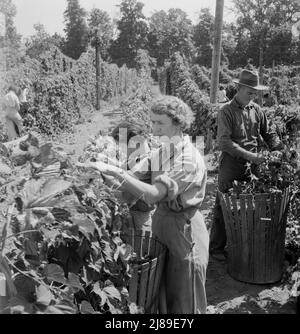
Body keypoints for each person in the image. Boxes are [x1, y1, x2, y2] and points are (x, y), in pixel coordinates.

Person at [78, 96, 209, 314]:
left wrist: (116, 172)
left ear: (178, 123)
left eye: (160, 123)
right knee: (165, 297)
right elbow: (130, 179)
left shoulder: (188, 159)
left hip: (185, 233)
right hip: (163, 229)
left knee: (186, 299)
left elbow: (153, 195)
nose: (154, 129)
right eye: (153, 122)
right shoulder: (162, 152)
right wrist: (98, 171)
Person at [209, 69, 283, 261]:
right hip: (231, 164)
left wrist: (277, 148)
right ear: (239, 88)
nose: (253, 96)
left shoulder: (256, 110)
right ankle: (216, 248)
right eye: (249, 92)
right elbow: (224, 142)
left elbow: (269, 133)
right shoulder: (226, 111)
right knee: (223, 204)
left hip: (254, 166)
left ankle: (245, 243)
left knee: (253, 204)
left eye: (255, 93)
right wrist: (251, 156)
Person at [111, 121, 155, 232]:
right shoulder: (143, 155)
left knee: (138, 245)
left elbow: (127, 196)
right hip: (140, 213)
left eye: (120, 145)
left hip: (139, 219)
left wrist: (103, 189)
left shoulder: (143, 166)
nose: (120, 150)